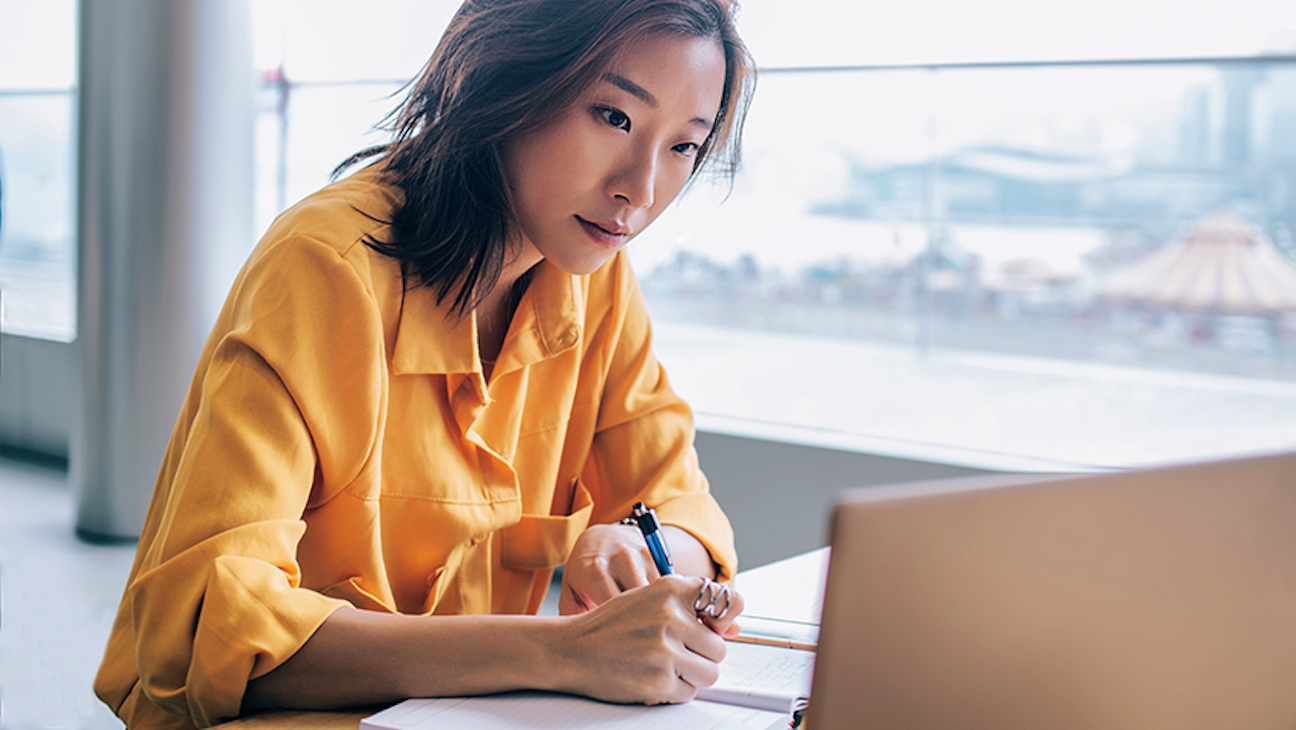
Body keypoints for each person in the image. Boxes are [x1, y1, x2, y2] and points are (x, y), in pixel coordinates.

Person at [93, 1, 757, 728]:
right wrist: (557, 651)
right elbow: (200, 636)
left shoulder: (593, 277)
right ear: (499, 76)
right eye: (613, 116)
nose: (641, 188)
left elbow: (688, 516)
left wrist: (638, 546)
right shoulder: (325, 271)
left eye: (684, 148)